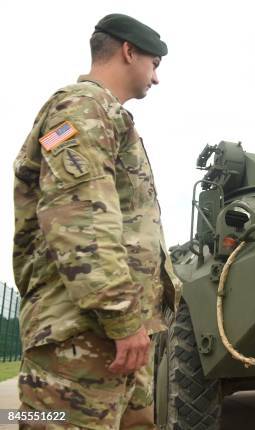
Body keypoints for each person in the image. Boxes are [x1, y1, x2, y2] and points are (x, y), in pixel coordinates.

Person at [13, 13, 181, 429]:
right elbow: (81, 220)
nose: (155, 78)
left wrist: (133, 325)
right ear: (129, 51)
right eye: (154, 64)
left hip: (115, 339)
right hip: (81, 340)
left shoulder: (106, 115)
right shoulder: (82, 109)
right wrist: (122, 319)